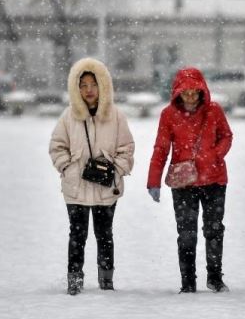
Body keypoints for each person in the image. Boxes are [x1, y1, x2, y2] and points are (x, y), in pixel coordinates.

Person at [49, 58, 135, 295]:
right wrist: (67, 167)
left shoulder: (116, 116)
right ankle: (74, 280)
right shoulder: (69, 116)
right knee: (77, 234)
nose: (88, 90)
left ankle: (106, 279)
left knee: (104, 234)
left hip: (106, 187)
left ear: (103, 86)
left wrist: (115, 169)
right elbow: (57, 145)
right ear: (76, 88)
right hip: (75, 187)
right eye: (83, 84)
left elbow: (126, 147)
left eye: (93, 84)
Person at [147, 68, 233, 293]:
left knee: (214, 230)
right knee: (186, 233)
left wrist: (214, 155)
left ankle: (214, 277)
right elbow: (161, 148)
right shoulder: (168, 114)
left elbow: (226, 135)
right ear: (177, 93)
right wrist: (153, 180)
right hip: (184, 183)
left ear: (202, 90)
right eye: (186, 94)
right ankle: (188, 281)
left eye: (195, 92)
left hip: (214, 180)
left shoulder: (214, 111)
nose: (191, 97)